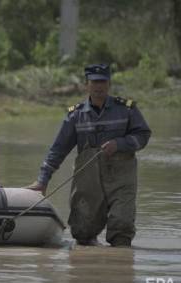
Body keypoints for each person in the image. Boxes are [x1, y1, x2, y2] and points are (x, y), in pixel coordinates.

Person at [26, 63, 151, 247]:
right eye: (94, 82)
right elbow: (57, 150)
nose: (98, 86)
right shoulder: (75, 115)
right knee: (82, 232)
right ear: (87, 85)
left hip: (122, 178)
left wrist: (120, 144)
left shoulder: (127, 109)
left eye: (102, 81)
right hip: (88, 180)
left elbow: (143, 135)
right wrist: (42, 180)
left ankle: (119, 266)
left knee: (121, 227)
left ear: (109, 84)